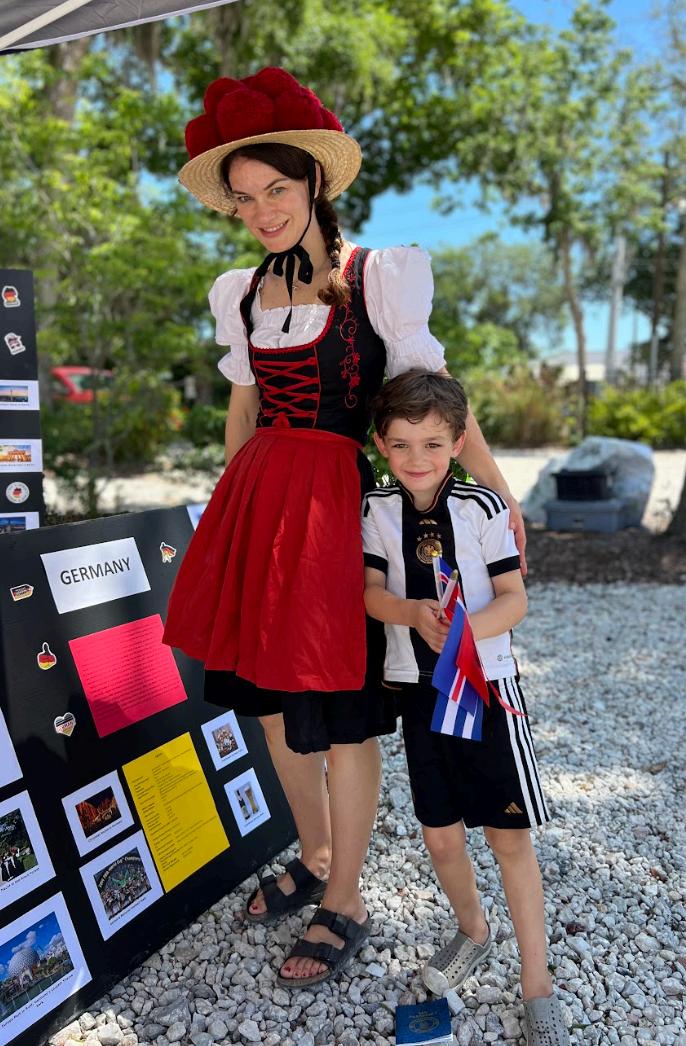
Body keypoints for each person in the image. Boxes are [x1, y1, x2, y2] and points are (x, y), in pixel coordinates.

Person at [163, 67, 526, 988]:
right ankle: (317, 854)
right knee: (270, 704)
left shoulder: (376, 279)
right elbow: (244, 411)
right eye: (244, 198)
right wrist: (231, 509)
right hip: (257, 505)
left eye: (275, 189)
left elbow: (434, 396)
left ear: (314, 181)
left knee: (342, 712)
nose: (260, 211)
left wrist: (496, 490)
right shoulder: (241, 292)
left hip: (334, 509)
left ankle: (347, 896)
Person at [362, 370, 568, 1044]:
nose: (416, 458)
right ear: (380, 446)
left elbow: (515, 600)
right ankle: (473, 930)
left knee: (508, 838)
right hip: (418, 691)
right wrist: (408, 613)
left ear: (456, 442)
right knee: (442, 836)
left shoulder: (483, 508)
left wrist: (462, 632)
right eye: (400, 445)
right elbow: (369, 594)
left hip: (487, 689)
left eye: (432, 443)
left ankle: (537, 984)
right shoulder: (376, 510)